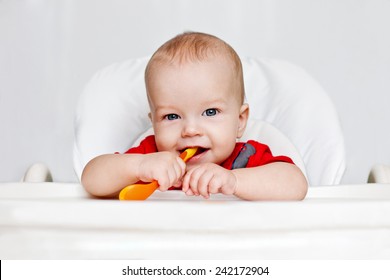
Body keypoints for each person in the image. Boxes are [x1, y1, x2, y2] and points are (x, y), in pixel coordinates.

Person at [81, 32, 308, 200]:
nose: (190, 130)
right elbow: (91, 179)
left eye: (210, 112)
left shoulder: (247, 159)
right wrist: (139, 166)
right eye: (171, 116)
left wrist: (235, 181)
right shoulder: (151, 156)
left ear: (240, 121)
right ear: (153, 122)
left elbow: (296, 185)